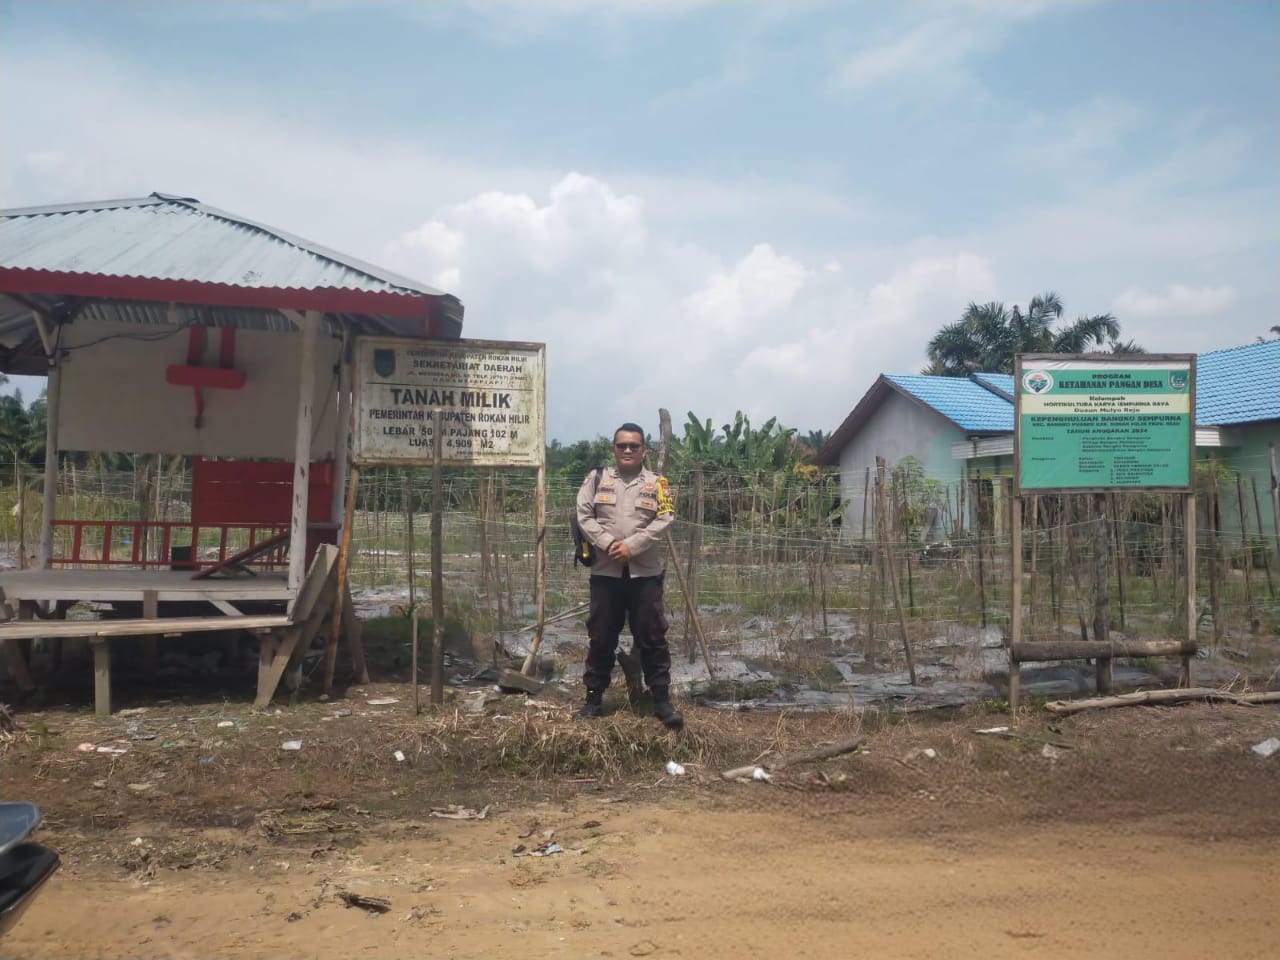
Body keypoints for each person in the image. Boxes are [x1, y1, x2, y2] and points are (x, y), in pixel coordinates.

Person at [574, 423, 683, 728]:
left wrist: (632, 546)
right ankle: (593, 700)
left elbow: (665, 518)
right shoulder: (596, 480)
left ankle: (661, 700)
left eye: (634, 446)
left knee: (652, 636)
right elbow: (583, 515)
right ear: (613, 449)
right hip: (605, 573)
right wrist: (609, 544)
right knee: (601, 636)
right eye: (622, 445)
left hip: (644, 574)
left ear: (643, 451)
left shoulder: (658, 484)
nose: (627, 450)